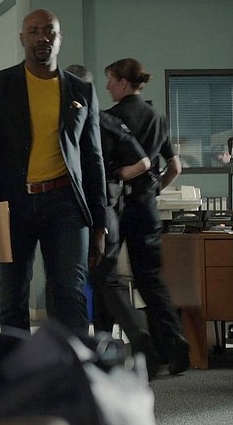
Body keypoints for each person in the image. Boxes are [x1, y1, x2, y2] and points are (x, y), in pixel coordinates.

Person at [0, 9, 107, 339]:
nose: (43, 37)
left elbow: (93, 160)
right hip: (10, 204)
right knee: (13, 294)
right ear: (23, 38)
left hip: (66, 205)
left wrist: (100, 223)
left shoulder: (82, 91)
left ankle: (71, 364)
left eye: (49, 31)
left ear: (59, 38)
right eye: (34, 31)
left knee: (69, 292)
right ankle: (17, 364)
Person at [68, 64, 159, 374]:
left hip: (85, 210)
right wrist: (118, 175)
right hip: (109, 209)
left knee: (95, 282)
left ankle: (138, 337)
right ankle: (105, 350)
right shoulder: (107, 120)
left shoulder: (74, 120)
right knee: (103, 281)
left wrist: (114, 174)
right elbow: (144, 161)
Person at [104, 58, 190, 375]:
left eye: (110, 80)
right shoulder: (158, 118)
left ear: (123, 83)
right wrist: (154, 189)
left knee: (107, 276)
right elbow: (175, 167)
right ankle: (175, 345)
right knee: (151, 278)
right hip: (146, 205)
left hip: (117, 206)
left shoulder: (110, 118)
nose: (108, 86)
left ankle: (130, 348)